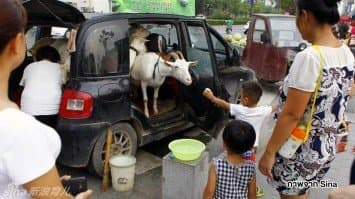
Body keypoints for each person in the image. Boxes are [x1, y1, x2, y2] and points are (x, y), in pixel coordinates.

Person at [258, 0, 355, 198]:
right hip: (325, 148)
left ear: (305, 16)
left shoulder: (310, 57)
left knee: (293, 194)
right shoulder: (346, 52)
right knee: (302, 191)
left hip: (299, 149)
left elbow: (293, 115)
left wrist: (269, 153)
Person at [0, 0, 92, 198]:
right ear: (17, 44)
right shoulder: (18, 129)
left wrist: (46, 183)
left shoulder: (29, 69)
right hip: (48, 112)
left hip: (29, 107)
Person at [203, 80, 278, 153]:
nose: (239, 98)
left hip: (238, 144)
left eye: (241, 96)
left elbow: (225, 104)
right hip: (252, 146)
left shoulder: (239, 109)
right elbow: (274, 107)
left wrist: (212, 97)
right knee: (248, 163)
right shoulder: (263, 111)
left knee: (234, 158)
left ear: (246, 100)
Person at [203, 120, 257, 199]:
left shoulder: (216, 165)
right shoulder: (251, 168)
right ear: (251, 147)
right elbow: (252, 194)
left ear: (224, 144)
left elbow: (209, 191)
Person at [20, 45, 63, 128]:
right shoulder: (60, 68)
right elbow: (63, 84)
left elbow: (24, 85)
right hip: (51, 114)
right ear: (56, 57)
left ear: (38, 56)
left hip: (27, 111)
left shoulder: (29, 67)